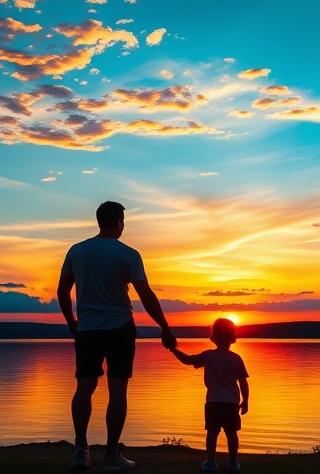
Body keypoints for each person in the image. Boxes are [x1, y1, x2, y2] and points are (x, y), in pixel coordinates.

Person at [57, 201, 178, 472]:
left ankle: (80, 450)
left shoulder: (77, 251)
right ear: (119, 222)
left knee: (84, 388)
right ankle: (111, 454)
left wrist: (72, 325)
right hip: (120, 328)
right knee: (117, 391)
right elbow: (145, 294)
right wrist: (165, 327)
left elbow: (62, 291)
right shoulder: (129, 254)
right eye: (123, 220)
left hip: (87, 329)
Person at [170, 318, 249, 473]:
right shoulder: (236, 358)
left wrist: (174, 350)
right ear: (232, 337)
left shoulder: (209, 356)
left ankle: (211, 461)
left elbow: (188, 360)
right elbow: (243, 383)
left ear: (213, 337)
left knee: (212, 432)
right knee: (231, 433)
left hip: (213, 401)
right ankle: (233, 461)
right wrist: (245, 400)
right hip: (231, 402)